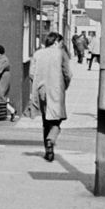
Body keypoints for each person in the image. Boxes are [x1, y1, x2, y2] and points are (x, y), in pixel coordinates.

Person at [29, 32, 72, 161]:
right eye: (60, 42)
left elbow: (31, 73)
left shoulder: (38, 54)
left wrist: (38, 84)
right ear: (55, 42)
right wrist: (65, 86)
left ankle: (48, 152)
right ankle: (51, 139)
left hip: (41, 91)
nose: (61, 45)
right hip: (56, 91)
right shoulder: (61, 54)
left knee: (45, 121)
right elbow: (68, 74)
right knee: (57, 120)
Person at [0, 44, 17, 121]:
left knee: (0, 96)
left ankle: (12, 110)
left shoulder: (3, 60)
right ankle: (12, 110)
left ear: (0, 52)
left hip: (2, 80)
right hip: (0, 79)